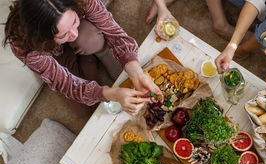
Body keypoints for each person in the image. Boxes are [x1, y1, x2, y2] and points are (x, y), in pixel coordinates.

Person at [3, 0, 162, 115]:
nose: (74, 34)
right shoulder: (24, 44)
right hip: (54, 53)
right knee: (84, 110)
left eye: (74, 21)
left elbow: (114, 33)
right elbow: (66, 85)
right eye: (64, 34)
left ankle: (93, 48)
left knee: (89, 39)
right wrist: (110, 94)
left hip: (85, 30)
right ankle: (86, 55)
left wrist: (136, 72)